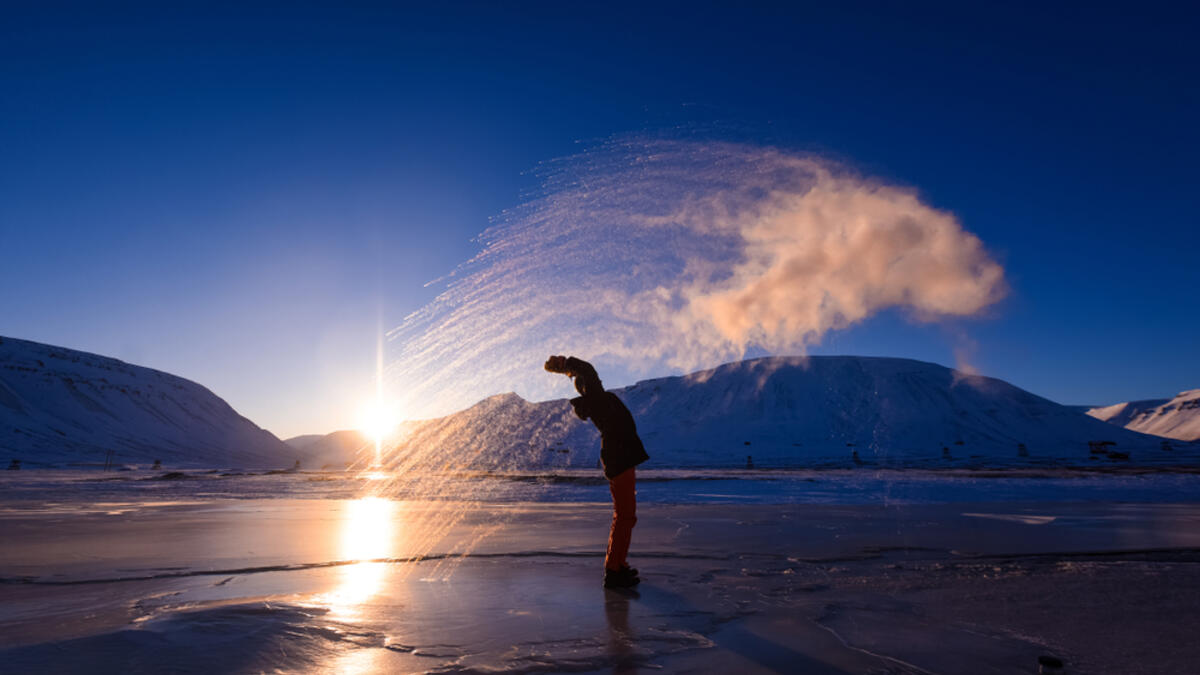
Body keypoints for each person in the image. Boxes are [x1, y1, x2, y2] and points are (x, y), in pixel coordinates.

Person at [545, 355, 649, 588]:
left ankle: (617, 565)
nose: (598, 381)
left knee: (624, 516)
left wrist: (568, 372)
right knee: (625, 517)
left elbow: (587, 373)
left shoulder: (598, 400)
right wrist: (566, 365)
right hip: (619, 458)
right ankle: (614, 571)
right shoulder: (598, 399)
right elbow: (588, 370)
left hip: (620, 457)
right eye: (592, 382)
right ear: (588, 387)